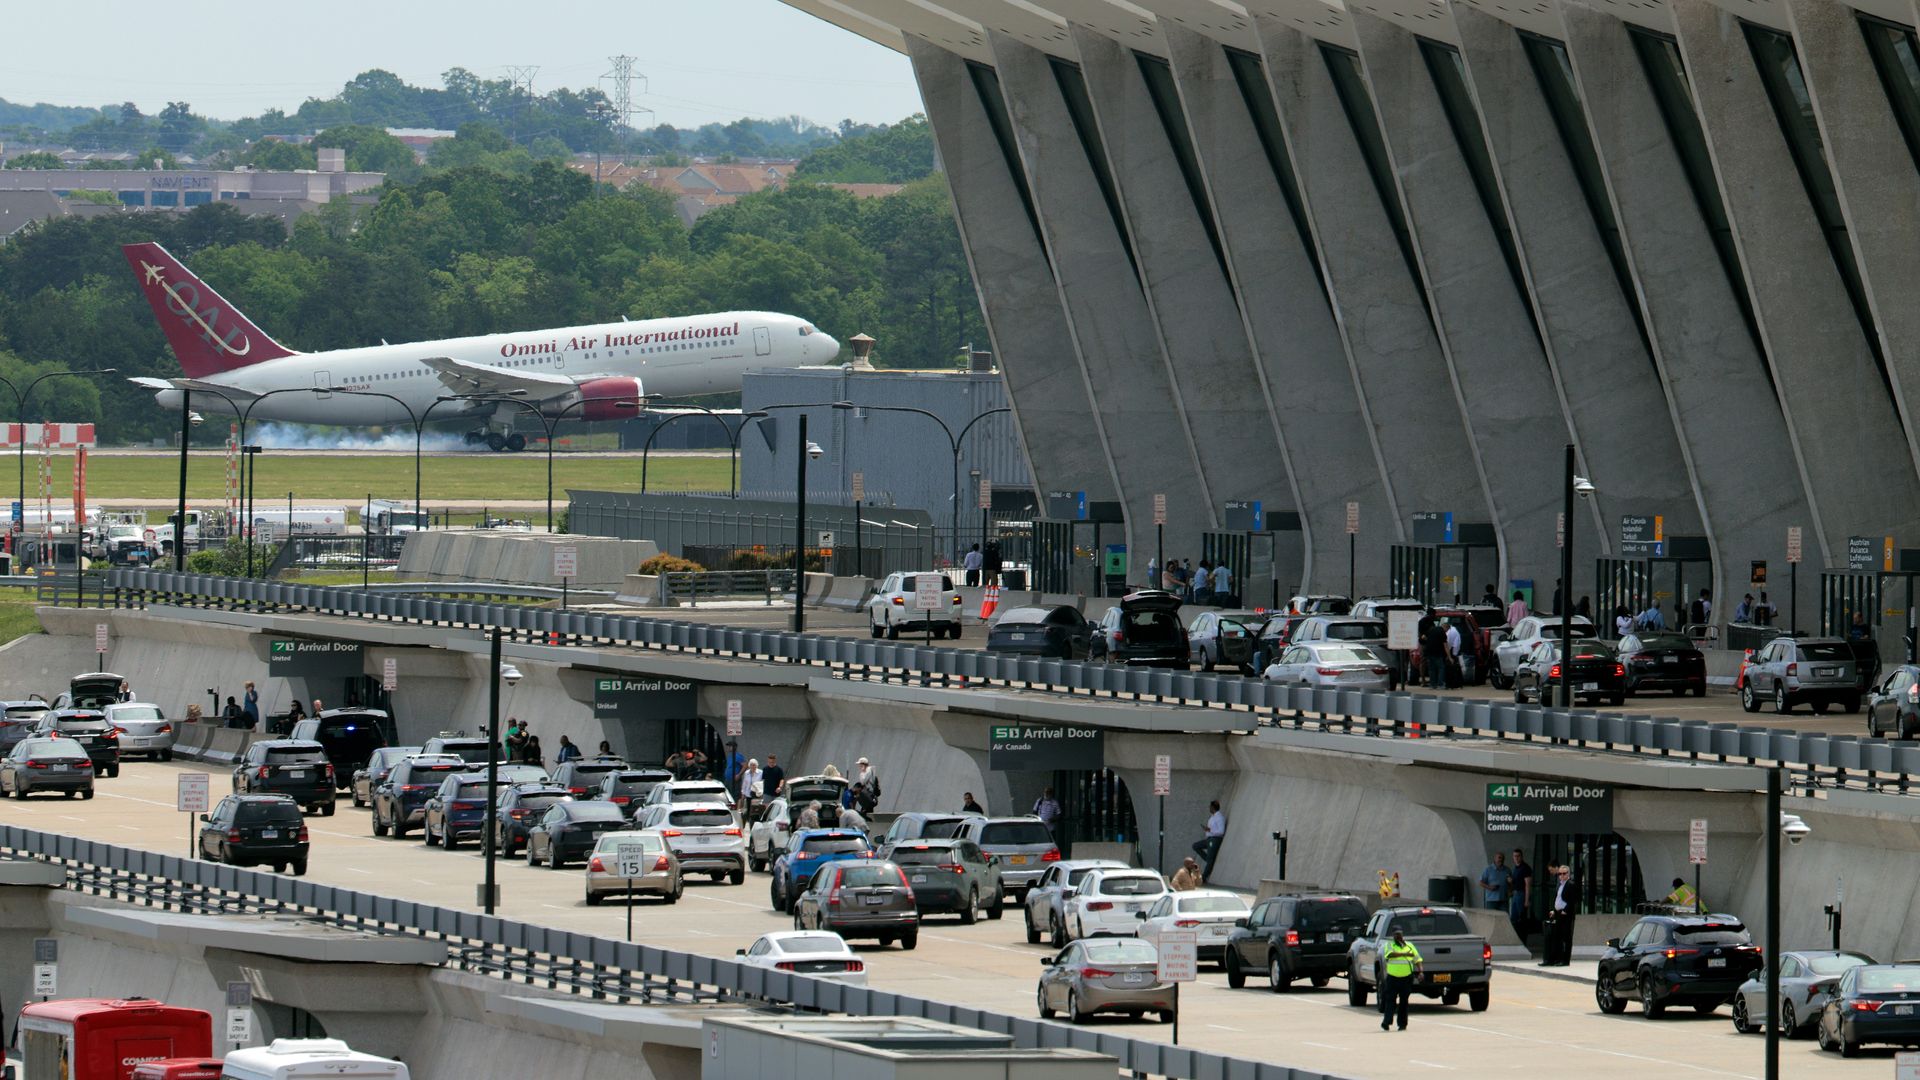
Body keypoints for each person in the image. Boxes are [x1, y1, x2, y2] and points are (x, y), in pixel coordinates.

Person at [1379, 927, 1424, 1031]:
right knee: (1390, 1000)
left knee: (1404, 1002)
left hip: (1406, 978)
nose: (1398, 936)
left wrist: (1421, 971)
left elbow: (1417, 959)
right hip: (1393, 978)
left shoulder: (1409, 945)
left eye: (1399, 934)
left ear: (1403, 935)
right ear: (1393, 936)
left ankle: (1402, 1024)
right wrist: (1405, 954)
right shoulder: (1389, 945)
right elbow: (1390, 955)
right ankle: (1387, 1022)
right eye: (1396, 934)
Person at [1541, 864, 1579, 966]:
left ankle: (1565, 960)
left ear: (1568, 874)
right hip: (1558, 913)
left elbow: (1573, 900)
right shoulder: (1560, 885)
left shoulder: (1570, 884)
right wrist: (1554, 910)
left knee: (1566, 938)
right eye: (1560, 874)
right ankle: (1555, 959)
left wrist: (1565, 910)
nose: (1561, 876)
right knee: (1556, 937)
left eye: (1564, 873)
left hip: (1566, 914)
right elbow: (1558, 899)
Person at [1193, 800, 1226, 881]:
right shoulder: (1212, 817)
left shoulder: (1220, 818)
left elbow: (1221, 832)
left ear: (1213, 807)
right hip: (1209, 839)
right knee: (1195, 846)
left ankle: (1204, 877)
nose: (1209, 808)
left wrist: (1210, 830)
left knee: (1210, 859)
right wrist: (1207, 830)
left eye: (1210, 807)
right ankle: (1209, 861)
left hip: (1214, 840)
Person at [1509, 848, 1534, 941]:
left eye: (1518, 856)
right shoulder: (1515, 868)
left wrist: (1527, 900)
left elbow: (1527, 885)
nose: (1516, 858)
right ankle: (1517, 939)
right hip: (1515, 894)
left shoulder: (1525, 868)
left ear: (1521, 856)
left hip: (1522, 894)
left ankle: (1523, 940)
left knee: (1522, 918)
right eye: (1514, 856)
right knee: (1514, 919)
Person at [1422, 618, 1450, 690]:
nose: (1446, 631)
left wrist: (1430, 641)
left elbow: (1423, 637)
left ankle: (1432, 685)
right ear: (1445, 627)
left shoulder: (1431, 629)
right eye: (1447, 630)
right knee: (1441, 668)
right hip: (1437, 652)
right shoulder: (1442, 632)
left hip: (1428, 652)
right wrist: (1450, 657)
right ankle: (1440, 684)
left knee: (1431, 669)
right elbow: (1446, 646)